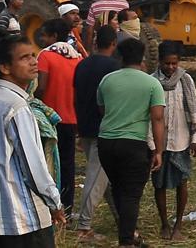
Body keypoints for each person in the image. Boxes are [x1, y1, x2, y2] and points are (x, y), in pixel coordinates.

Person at [0, 36, 64, 246]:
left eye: (33, 55)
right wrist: (54, 201)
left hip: (0, 215)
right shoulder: (16, 106)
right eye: (24, 58)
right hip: (24, 217)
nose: (34, 62)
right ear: (5, 67)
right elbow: (33, 165)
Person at [96, 36, 165, 247]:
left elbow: (103, 110)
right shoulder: (152, 83)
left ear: (121, 57)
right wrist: (159, 151)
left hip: (106, 143)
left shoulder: (107, 80)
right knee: (132, 195)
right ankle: (126, 240)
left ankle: (130, 234)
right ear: (142, 58)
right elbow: (158, 119)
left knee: (118, 187)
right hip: (133, 144)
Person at [72, 25, 120, 239]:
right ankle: (84, 226)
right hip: (104, 128)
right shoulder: (113, 67)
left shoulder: (82, 65)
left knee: (106, 178)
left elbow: (76, 97)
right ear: (113, 44)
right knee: (95, 176)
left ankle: (122, 219)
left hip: (85, 124)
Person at [150, 41, 196, 241]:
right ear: (159, 61)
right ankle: (164, 223)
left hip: (181, 139)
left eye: (174, 63)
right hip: (159, 143)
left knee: (182, 182)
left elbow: (195, 110)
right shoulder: (152, 81)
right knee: (159, 185)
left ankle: (178, 224)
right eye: (166, 63)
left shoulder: (185, 80)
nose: (171, 68)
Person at [34, 18, 81, 215]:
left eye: (44, 35)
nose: (41, 39)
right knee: (68, 164)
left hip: (49, 119)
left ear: (53, 36)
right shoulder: (76, 57)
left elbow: (42, 86)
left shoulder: (45, 56)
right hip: (70, 118)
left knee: (47, 164)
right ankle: (67, 207)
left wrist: (34, 101)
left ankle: (50, 207)